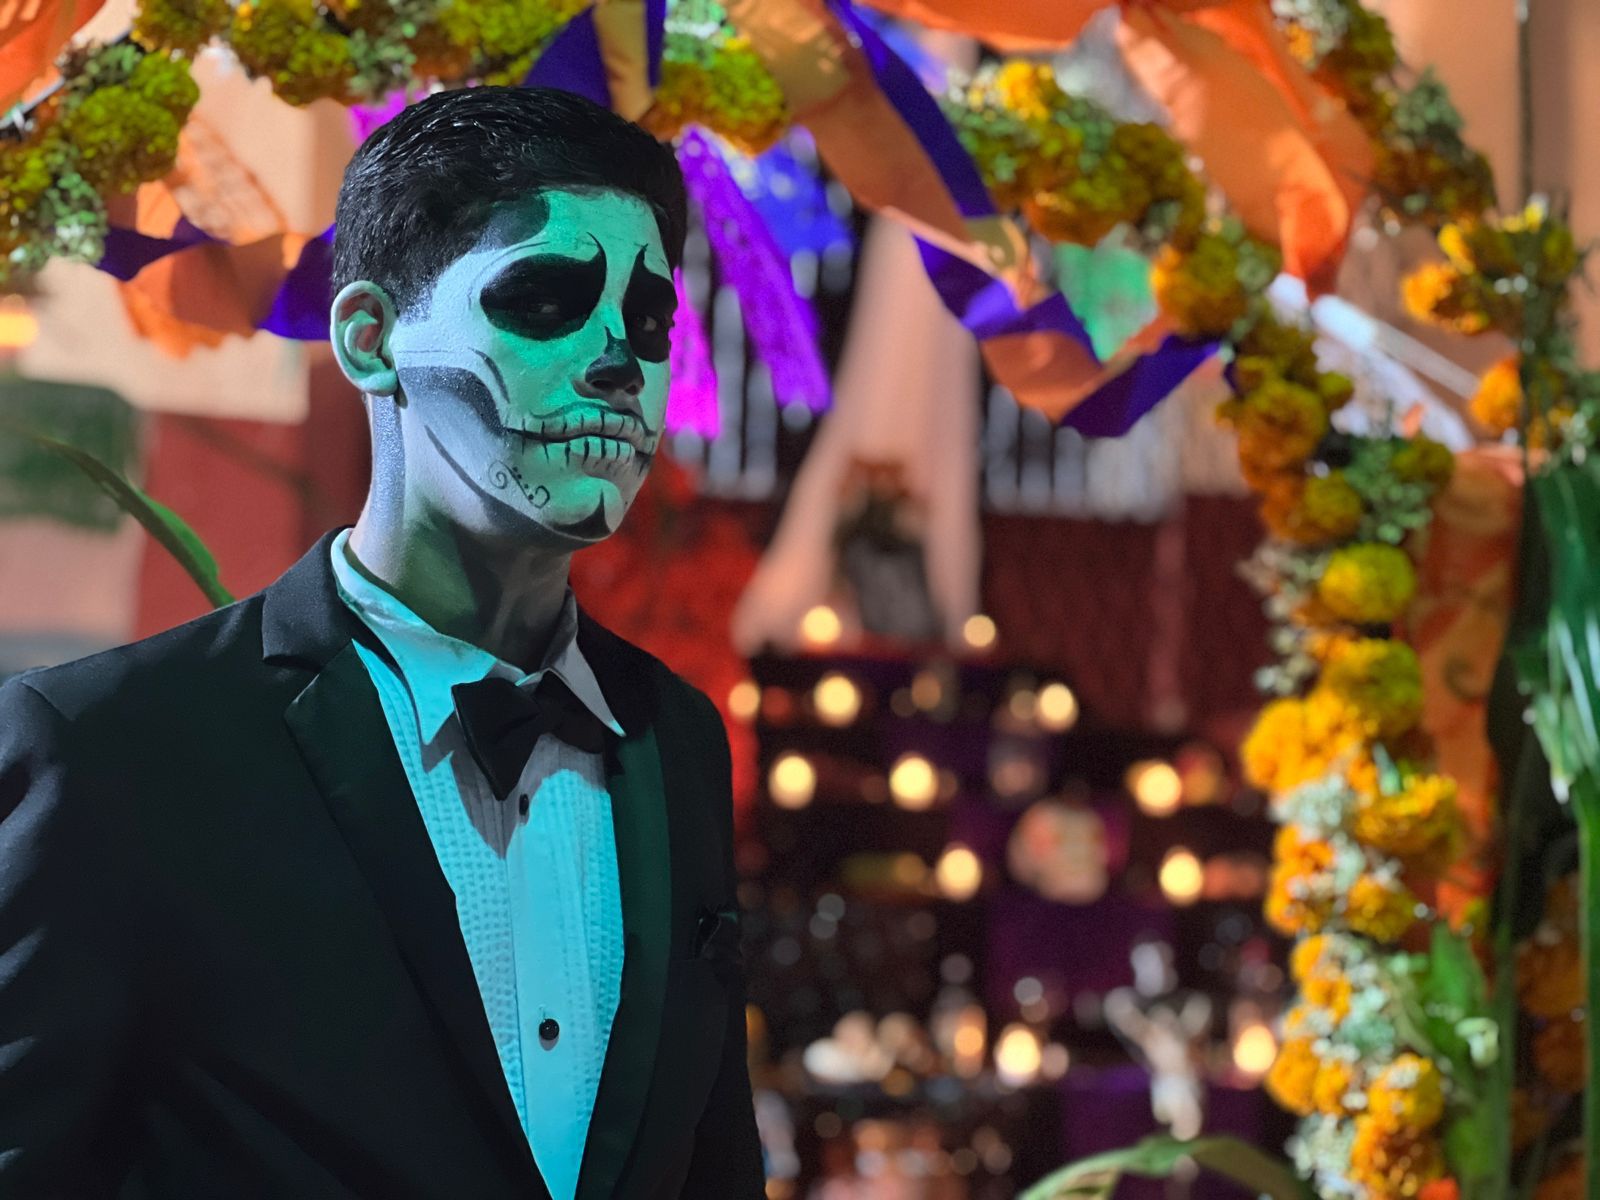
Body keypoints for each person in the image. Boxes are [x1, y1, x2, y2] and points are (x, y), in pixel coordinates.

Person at [0, 85, 765, 1199]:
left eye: (649, 322)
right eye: (543, 299)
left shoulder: (676, 736)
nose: (619, 360)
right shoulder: (114, 748)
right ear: (370, 338)